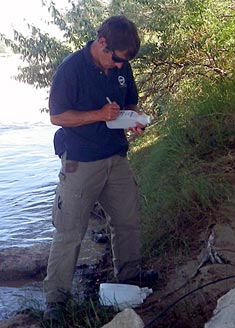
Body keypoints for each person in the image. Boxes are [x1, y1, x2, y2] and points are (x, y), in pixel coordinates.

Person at [43, 15, 157, 321]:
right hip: (80, 162)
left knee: (128, 221)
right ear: (102, 43)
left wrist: (133, 119)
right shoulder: (71, 69)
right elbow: (58, 117)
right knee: (69, 232)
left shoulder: (122, 66)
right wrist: (98, 114)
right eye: (116, 59)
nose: (120, 66)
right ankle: (56, 302)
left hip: (116, 158)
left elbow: (129, 103)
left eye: (124, 62)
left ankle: (130, 280)